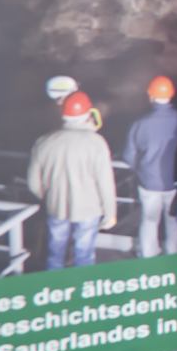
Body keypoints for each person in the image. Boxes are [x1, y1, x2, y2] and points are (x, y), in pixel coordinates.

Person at [28, 90, 117, 270]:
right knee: (84, 254)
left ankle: (54, 283)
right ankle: (81, 284)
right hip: (89, 210)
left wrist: (49, 197)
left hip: (56, 207)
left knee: (55, 252)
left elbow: (33, 184)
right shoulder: (96, 142)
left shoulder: (44, 141)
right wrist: (110, 213)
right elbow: (105, 183)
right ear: (89, 113)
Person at [124, 75, 177, 258]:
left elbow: (129, 156)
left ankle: (148, 255)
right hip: (176, 182)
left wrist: (142, 170)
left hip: (148, 182)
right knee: (173, 220)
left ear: (151, 96)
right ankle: (174, 254)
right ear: (172, 94)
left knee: (149, 220)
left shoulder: (140, 124)